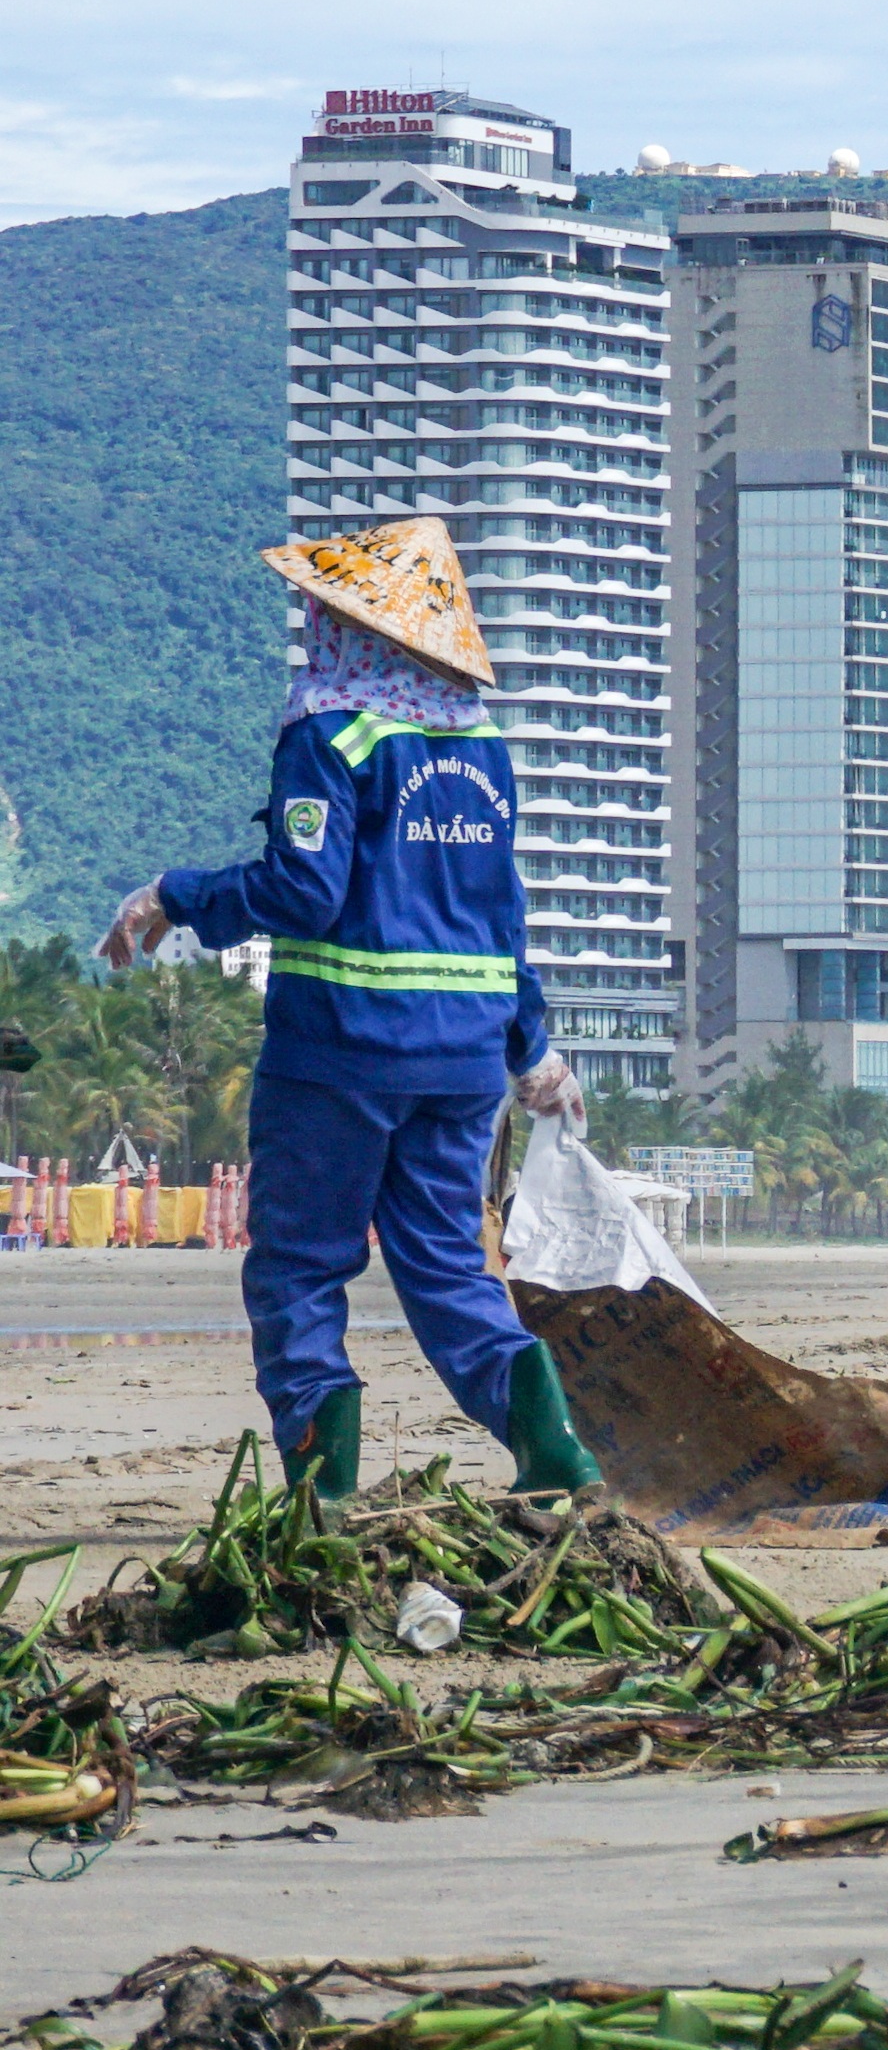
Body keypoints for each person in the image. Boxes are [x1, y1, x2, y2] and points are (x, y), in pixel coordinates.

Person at [103, 513, 598, 1502]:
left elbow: (302, 891)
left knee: (300, 1267)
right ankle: (558, 1458)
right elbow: (498, 916)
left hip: (341, 1053)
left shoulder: (330, 730)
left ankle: (324, 1495)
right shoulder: (479, 746)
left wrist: (174, 895)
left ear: (358, 629)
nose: (312, 628)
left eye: (323, 611)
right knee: (451, 1272)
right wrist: (532, 1046)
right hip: (461, 1066)